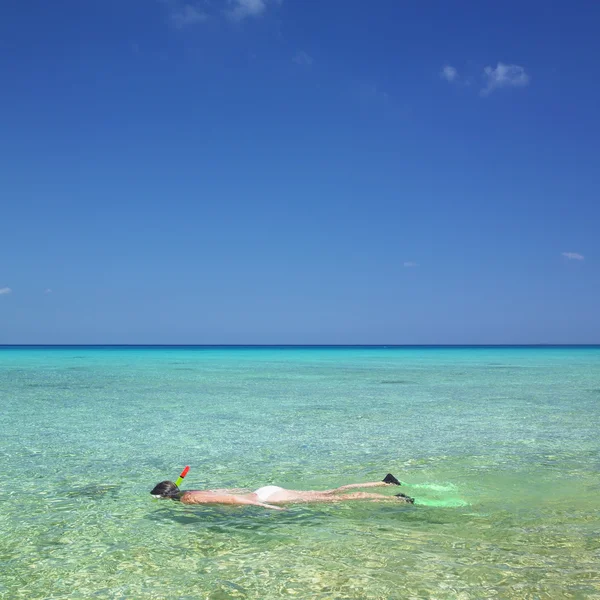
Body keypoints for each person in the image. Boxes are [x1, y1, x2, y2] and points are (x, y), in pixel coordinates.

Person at [150, 473, 414, 510]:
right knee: (329, 492)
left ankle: (396, 498)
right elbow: (226, 489)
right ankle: (386, 483)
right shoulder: (192, 490)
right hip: (263, 490)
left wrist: (266, 507)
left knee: (334, 497)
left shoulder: (188, 498)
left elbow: (231, 498)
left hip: (266, 497)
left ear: (164, 495)